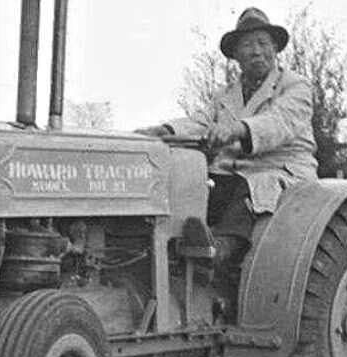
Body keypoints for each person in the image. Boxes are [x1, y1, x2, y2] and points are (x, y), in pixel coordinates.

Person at [136, 7, 318, 269]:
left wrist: (238, 129)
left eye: (262, 43)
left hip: (281, 170)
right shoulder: (225, 95)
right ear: (236, 56)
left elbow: (280, 121)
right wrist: (163, 131)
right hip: (230, 174)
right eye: (247, 45)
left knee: (249, 189)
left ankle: (220, 248)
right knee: (193, 185)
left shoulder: (295, 86)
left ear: (275, 49)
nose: (256, 51)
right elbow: (199, 122)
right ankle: (167, 247)